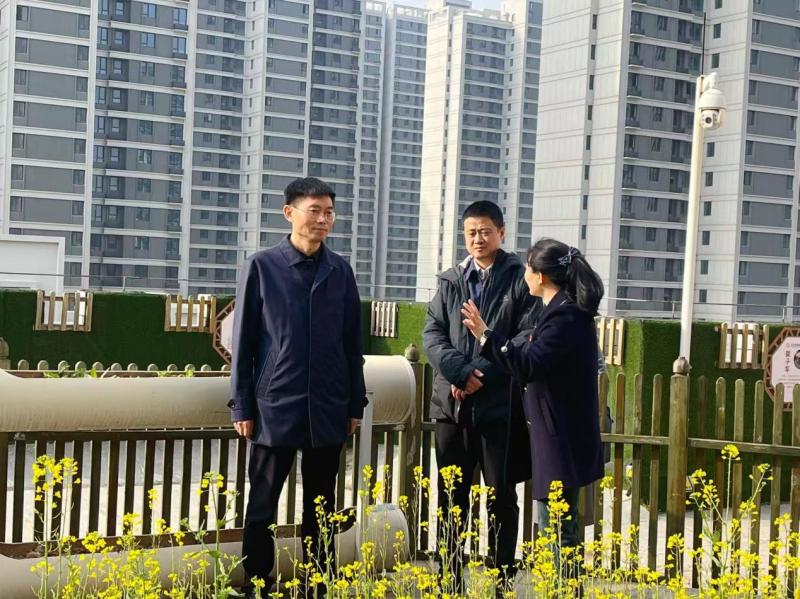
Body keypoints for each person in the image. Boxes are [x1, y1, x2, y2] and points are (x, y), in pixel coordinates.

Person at [227, 177, 367, 596]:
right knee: (262, 505)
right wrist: (242, 405)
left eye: (329, 212)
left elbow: (351, 344)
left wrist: (354, 403)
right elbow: (243, 343)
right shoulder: (262, 267)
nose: (323, 219)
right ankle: (257, 584)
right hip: (275, 405)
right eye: (314, 211)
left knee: (320, 507)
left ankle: (318, 583)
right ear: (289, 213)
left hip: (328, 405)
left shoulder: (340, 271)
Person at [461, 238, 605, 553]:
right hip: (558, 436)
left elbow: (528, 365)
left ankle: (563, 581)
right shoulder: (561, 311)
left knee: (558, 530)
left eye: (528, 267)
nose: (524, 274)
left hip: (560, 439)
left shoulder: (565, 317)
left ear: (540, 276)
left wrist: (485, 335)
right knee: (557, 526)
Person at [423, 201, 539, 590]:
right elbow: (432, 334)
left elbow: (526, 336)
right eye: (471, 232)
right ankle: (450, 580)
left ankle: (501, 580)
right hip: (451, 407)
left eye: (486, 231)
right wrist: (459, 372)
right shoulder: (450, 281)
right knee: (451, 496)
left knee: (501, 497)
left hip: (499, 405)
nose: (478, 238)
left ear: (501, 233)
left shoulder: (519, 279)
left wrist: (479, 374)